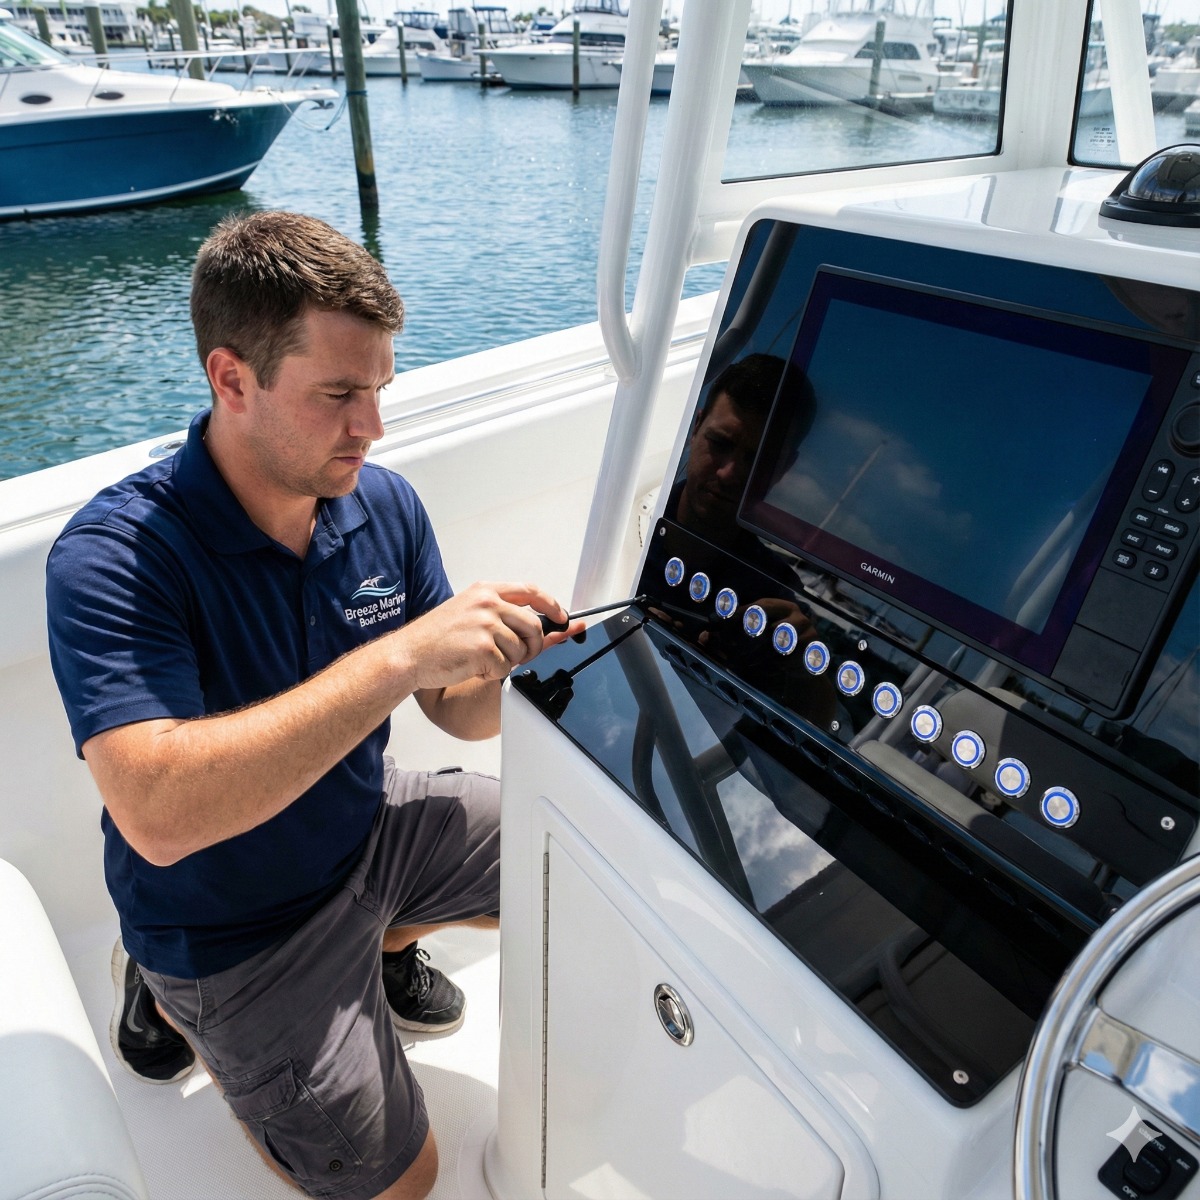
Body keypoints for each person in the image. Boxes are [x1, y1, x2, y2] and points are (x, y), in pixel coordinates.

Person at [45, 210, 579, 1200]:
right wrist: (398, 657)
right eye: (338, 394)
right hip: (233, 932)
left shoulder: (382, 504)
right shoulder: (116, 557)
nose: (372, 427)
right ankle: (170, 999)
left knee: (579, 855)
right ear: (231, 379)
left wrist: (517, 664)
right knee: (404, 1182)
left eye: (378, 389)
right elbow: (157, 816)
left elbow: (452, 707)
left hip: (362, 825)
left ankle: (375, 943)